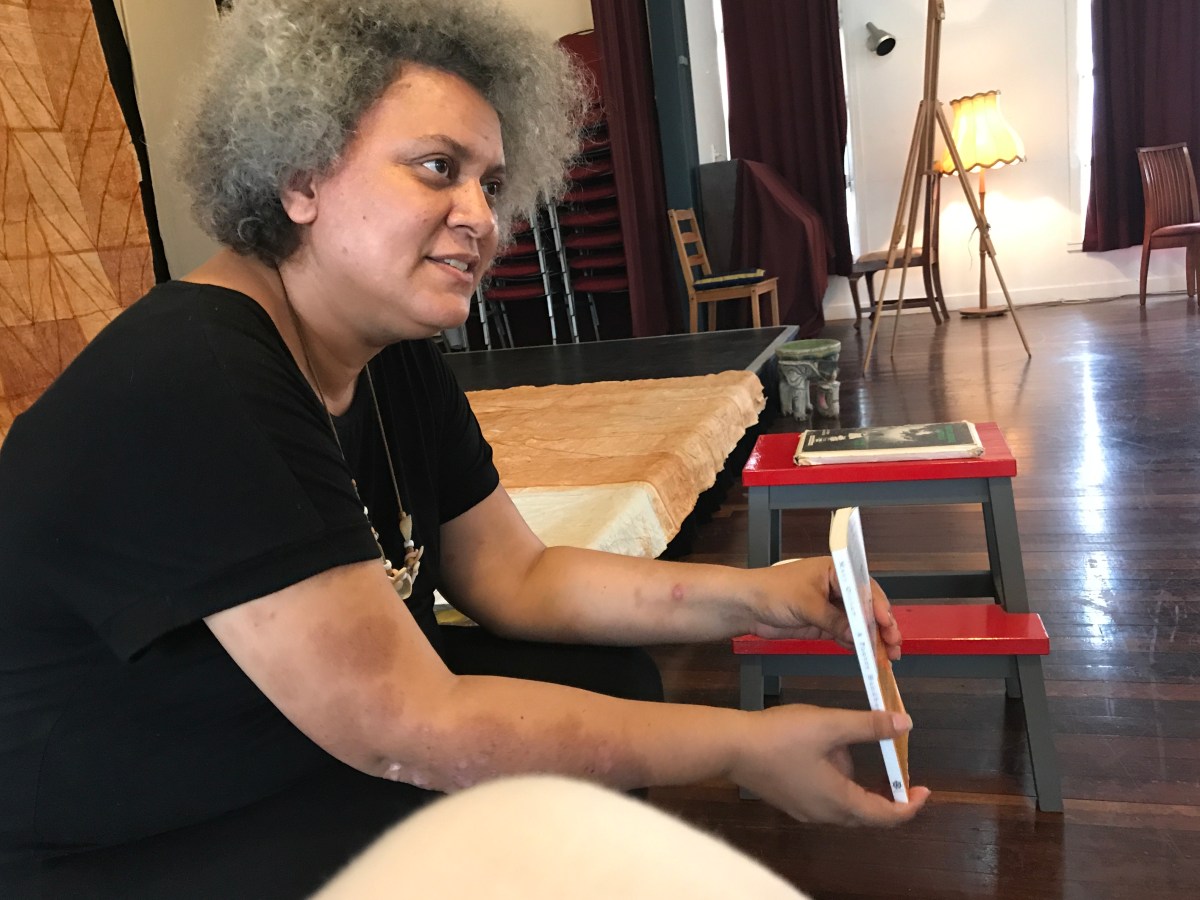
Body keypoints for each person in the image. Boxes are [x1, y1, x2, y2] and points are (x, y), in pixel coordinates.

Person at [0, 0, 928, 896]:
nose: (481, 215)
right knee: (530, 804)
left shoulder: (391, 353)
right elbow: (409, 727)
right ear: (299, 178)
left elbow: (519, 577)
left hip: (272, 733)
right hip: (119, 828)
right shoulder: (200, 375)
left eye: (490, 181)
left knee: (609, 682)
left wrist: (758, 596)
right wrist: (738, 747)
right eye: (438, 167)